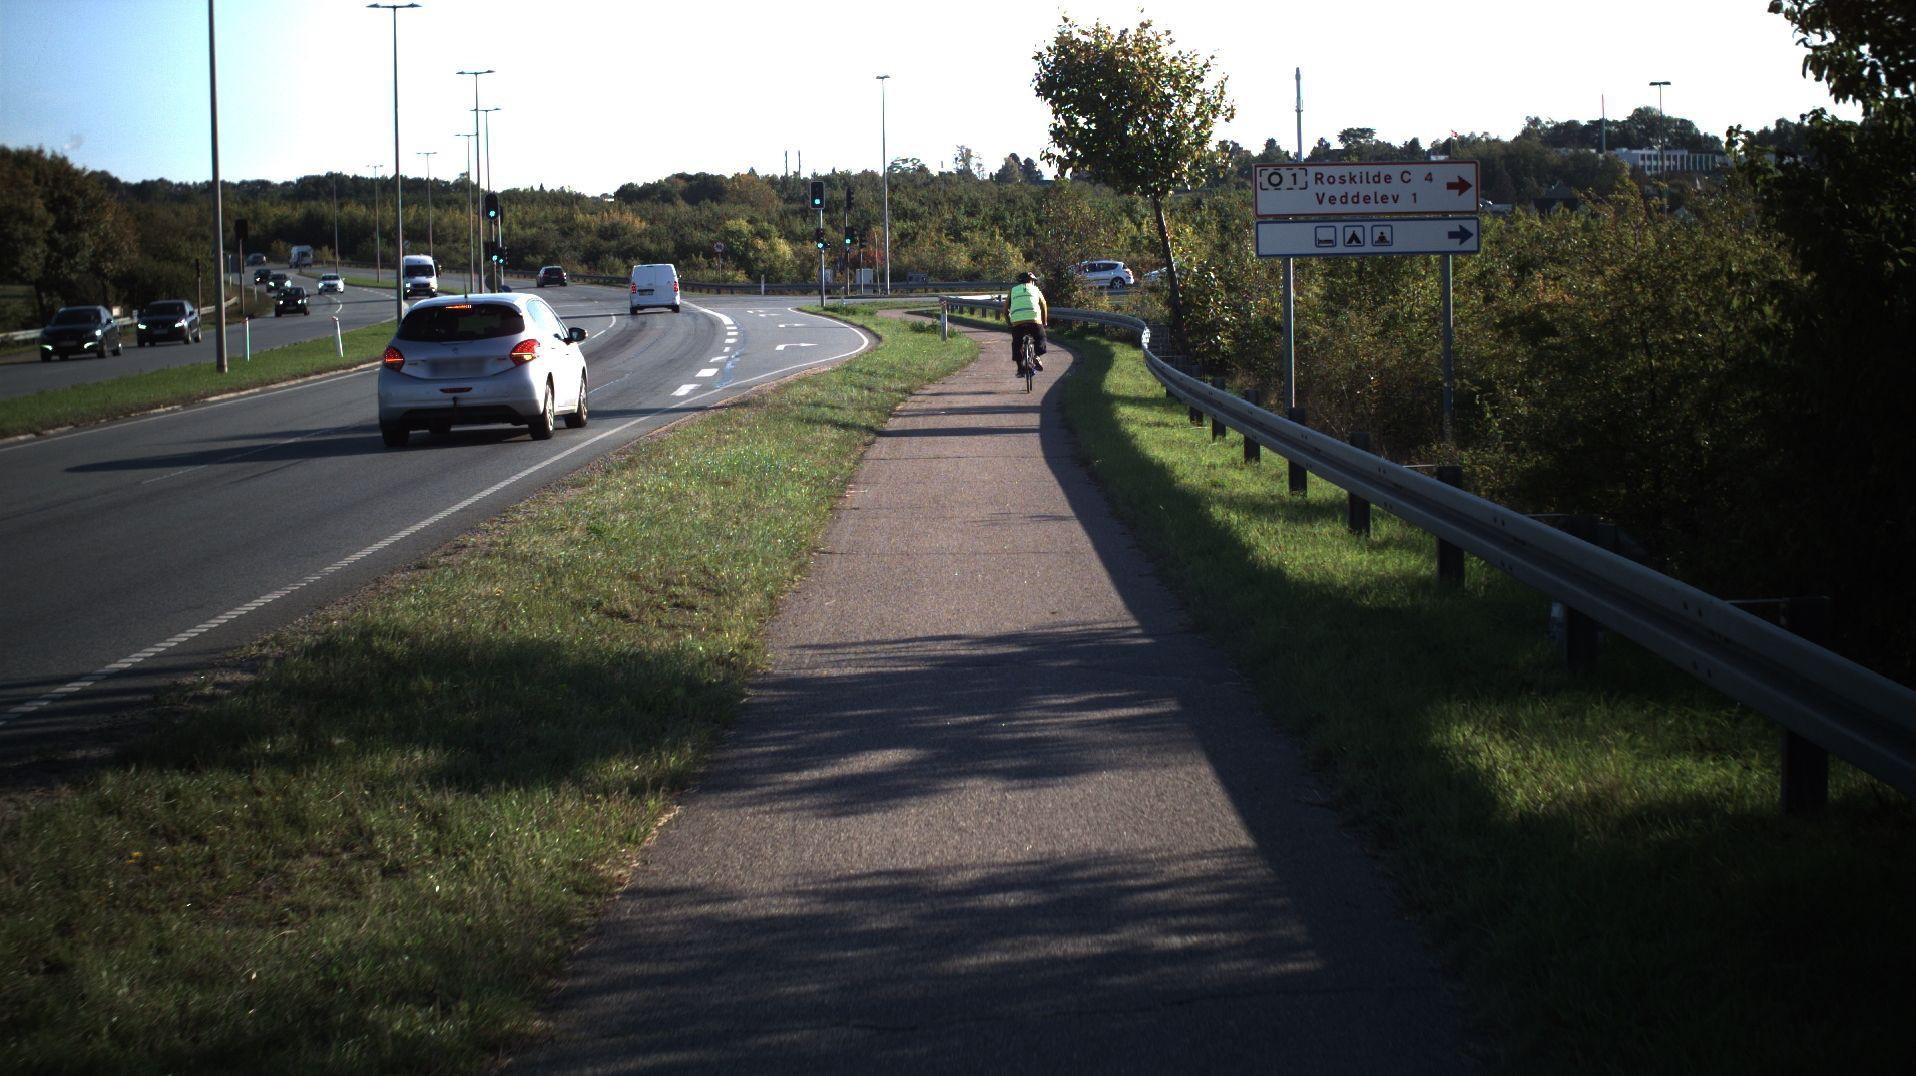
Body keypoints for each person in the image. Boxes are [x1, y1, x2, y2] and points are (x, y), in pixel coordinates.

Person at [1002, 270, 1048, 375]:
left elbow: (1005, 311)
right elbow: (1044, 306)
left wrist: (1009, 324)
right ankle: (1036, 356)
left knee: (1017, 344)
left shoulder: (1013, 290)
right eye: (1033, 281)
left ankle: (1020, 369)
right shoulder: (1036, 289)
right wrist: (1044, 322)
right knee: (1040, 338)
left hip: (1017, 322)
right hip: (1034, 320)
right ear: (1031, 281)